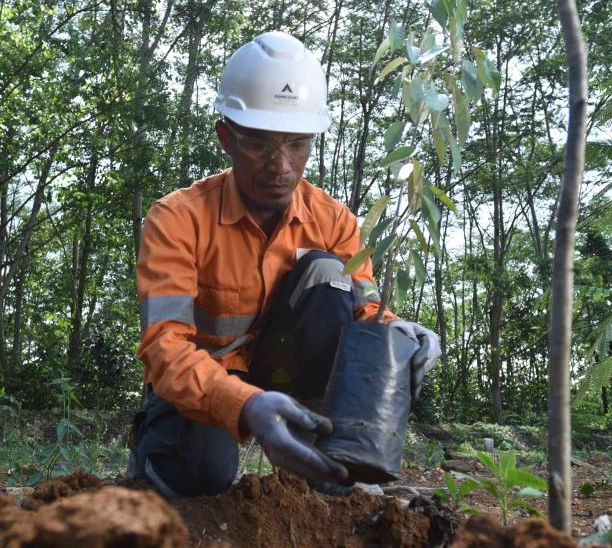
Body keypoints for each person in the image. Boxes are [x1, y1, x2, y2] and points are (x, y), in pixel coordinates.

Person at [127, 30, 439, 498]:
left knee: (329, 271)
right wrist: (246, 404)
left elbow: (364, 314)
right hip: (209, 385)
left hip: (294, 380)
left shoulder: (333, 222)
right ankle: (156, 448)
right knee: (197, 474)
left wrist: (401, 334)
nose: (281, 166)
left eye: (297, 145)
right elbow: (164, 345)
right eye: (260, 144)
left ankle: (325, 455)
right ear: (226, 138)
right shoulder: (177, 219)